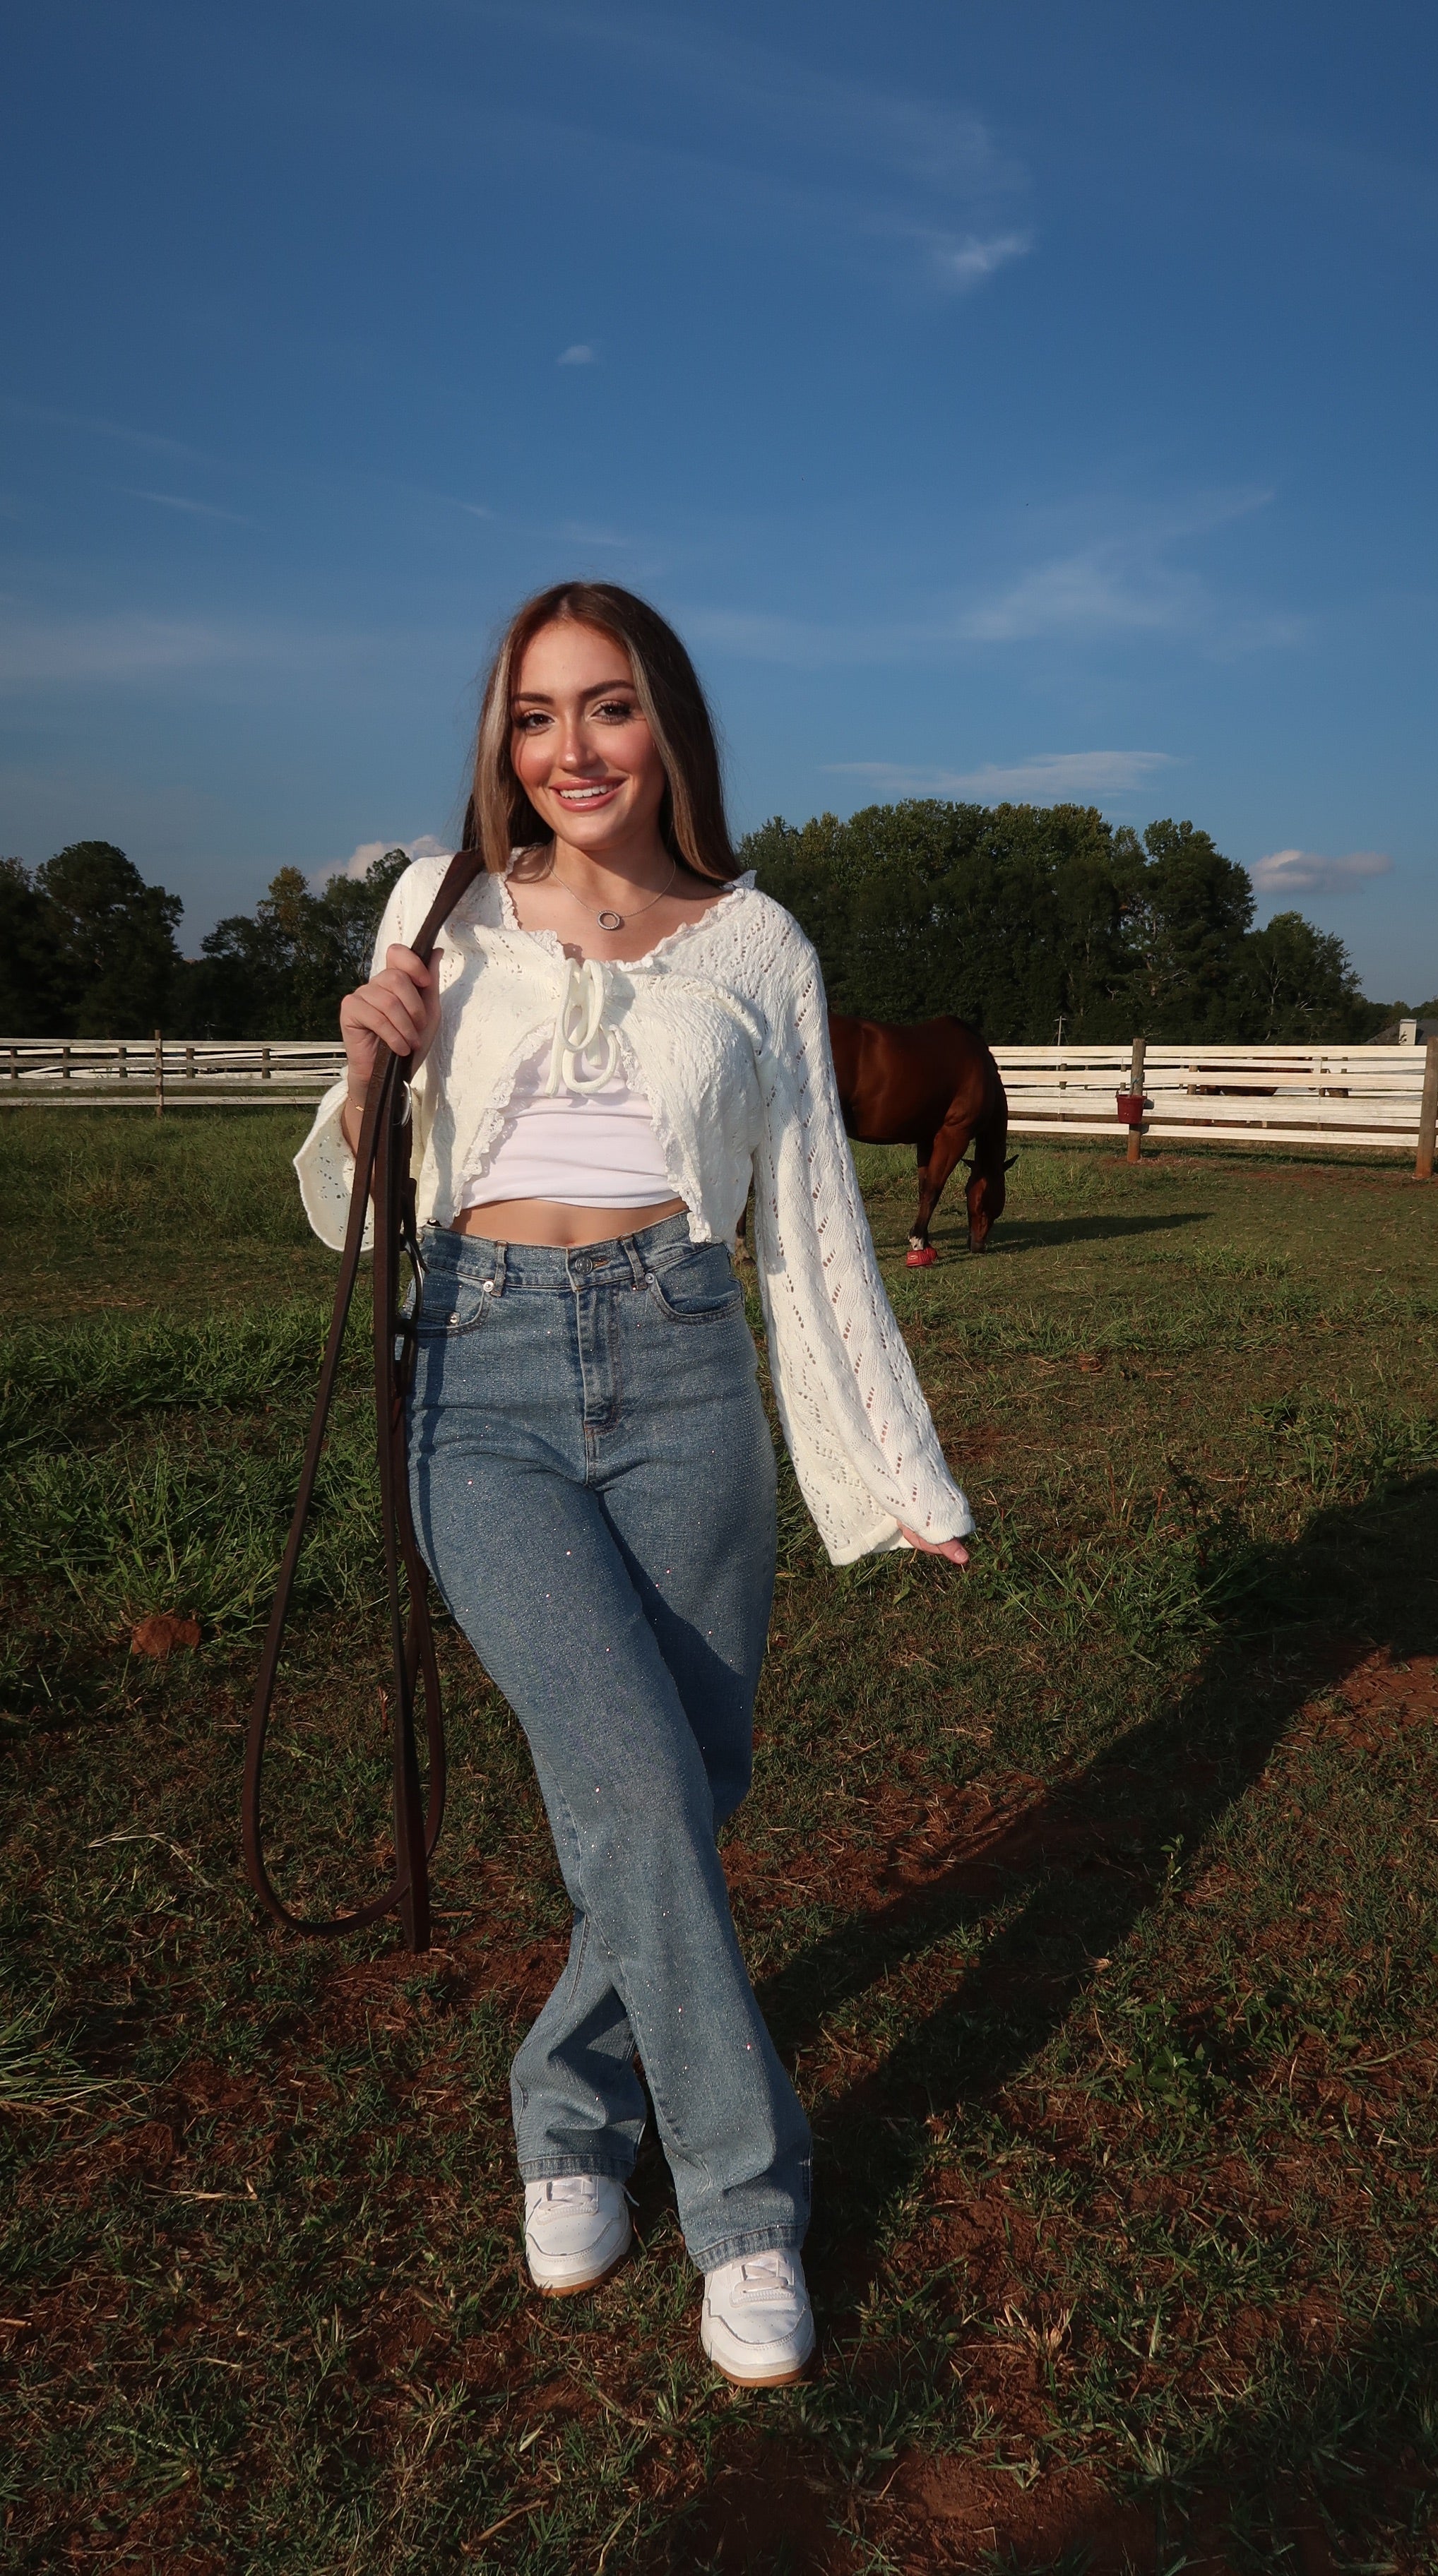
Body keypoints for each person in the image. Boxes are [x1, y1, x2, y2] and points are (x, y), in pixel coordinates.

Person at [294, 582, 973, 2387]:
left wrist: (893, 1460)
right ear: (501, 741)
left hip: (682, 1367)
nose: (569, 750)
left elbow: (815, 1225)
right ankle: (749, 2202)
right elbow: (350, 1182)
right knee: (633, 1785)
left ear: (664, 724)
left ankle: (563, 2102)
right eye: (535, 716)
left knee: (693, 1778)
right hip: (481, 1373)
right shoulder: (441, 908)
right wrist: (372, 1065)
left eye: (605, 710)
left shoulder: (757, 942)